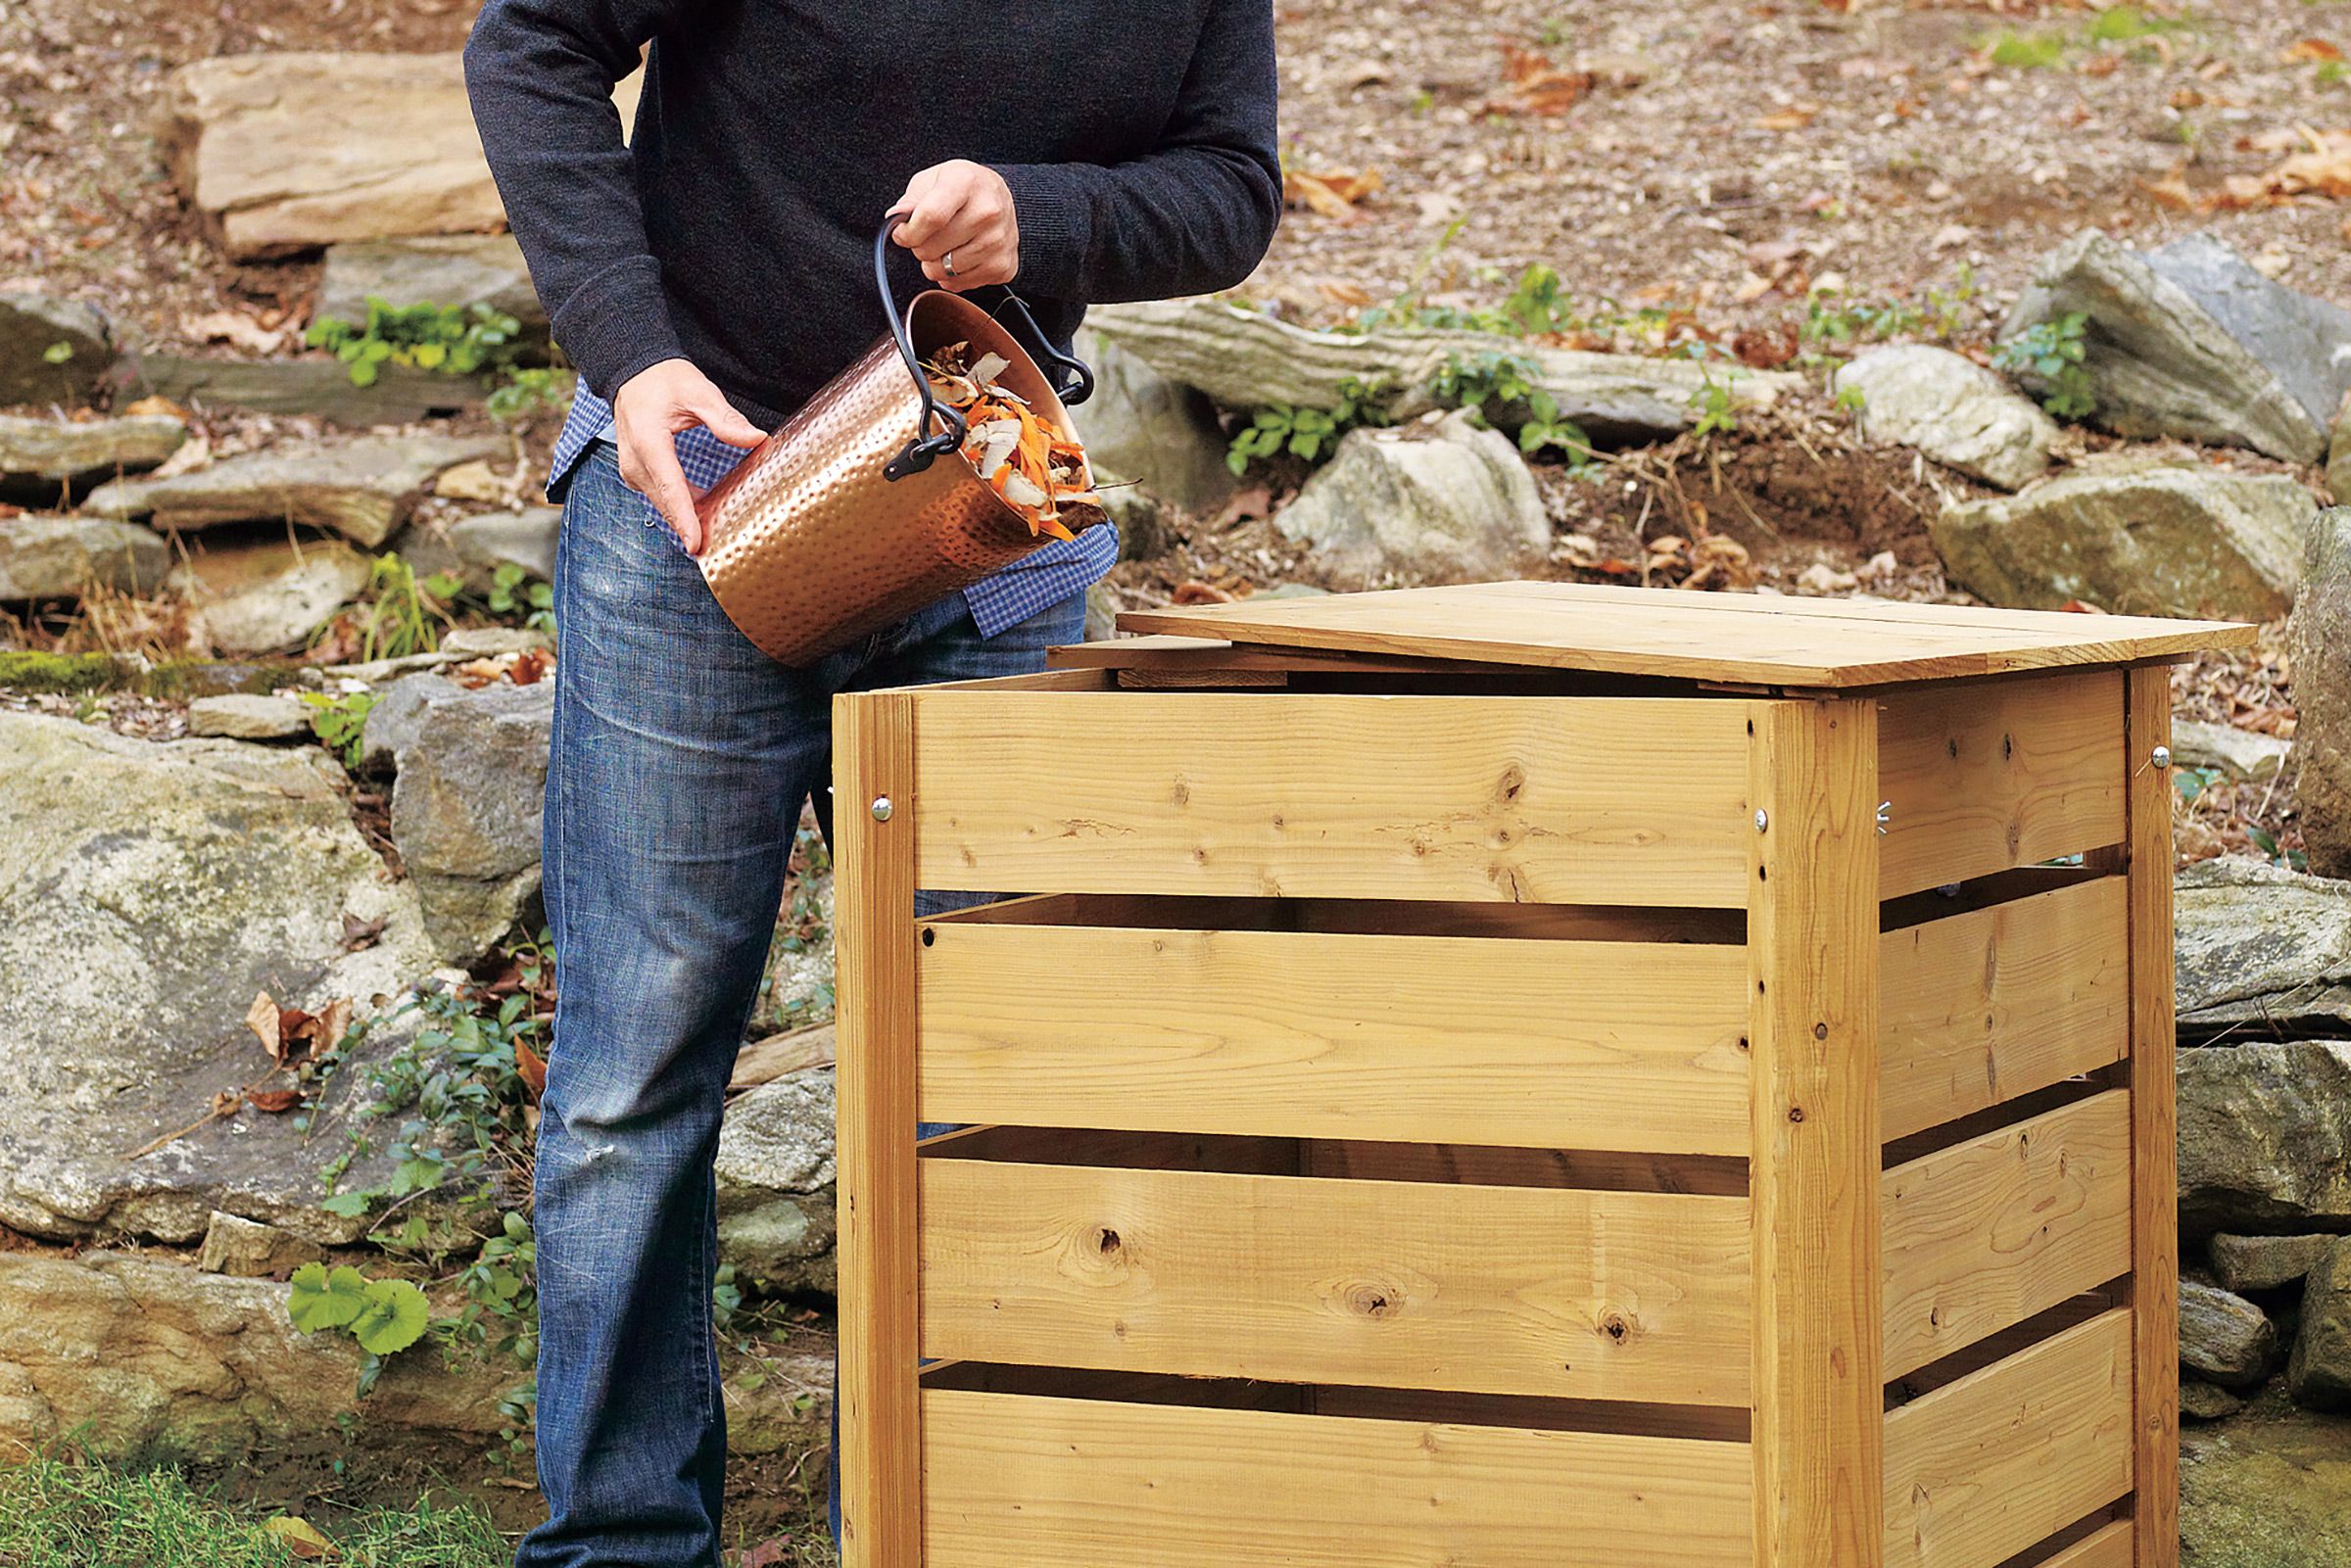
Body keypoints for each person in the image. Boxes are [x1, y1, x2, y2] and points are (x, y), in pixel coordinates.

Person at [460, 3, 1280, 1564]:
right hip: (702, 501)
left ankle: (925, 1534)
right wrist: (633, 363)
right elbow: (534, 45)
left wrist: (1050, 214)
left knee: (988, 1097)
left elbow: (1231, 184)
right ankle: (620, 1544)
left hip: (985, 535)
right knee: (635, 1081)